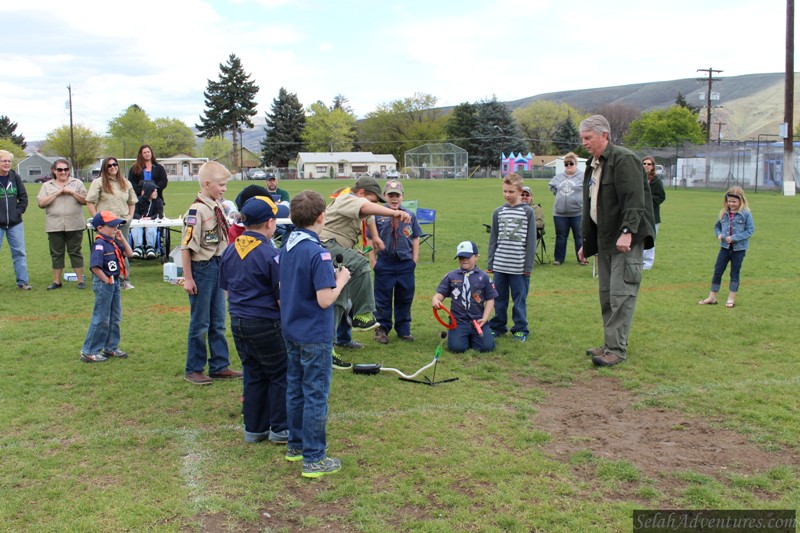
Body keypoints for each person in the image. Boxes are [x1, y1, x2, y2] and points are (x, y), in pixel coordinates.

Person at [279, 190, 351, 478]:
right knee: (315, 394)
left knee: (295, 389)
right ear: (322, 217)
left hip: (292, 328)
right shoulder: (318, 252)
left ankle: (296, 446)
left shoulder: (288, 245)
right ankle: (314, 458)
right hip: (314, 333)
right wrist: (341, 280)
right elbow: (324, 299)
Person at [577, 115, 655, 367]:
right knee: (607, 294)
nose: (584, 143)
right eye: (582, 138)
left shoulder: (624, 159)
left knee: (621, 294)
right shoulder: (593, 164)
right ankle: (610, 344)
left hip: (624, 239)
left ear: (604, 136)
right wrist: (586, 243)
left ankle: (616, 350)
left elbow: (634, 200)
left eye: (588, 138)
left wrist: (628, 231)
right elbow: (592, 204)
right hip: (604, 238)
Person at [219, 196, 291, 444]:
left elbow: (226, 288)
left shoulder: (230, 250)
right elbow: (281, 297)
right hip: (266, 322)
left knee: (253, 372)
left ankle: (255, 428)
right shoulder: (271, 254)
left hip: (238, 320)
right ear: (270, 223)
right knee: (280, 373)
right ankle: (281, 428)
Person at [319, 176, 411, 367]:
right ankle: (363, 315)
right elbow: (366, 209)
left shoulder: (362, 204)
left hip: (339, 248)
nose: (373, 204)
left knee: (339, 298)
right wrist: (394, 213)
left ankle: (329, 348)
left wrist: (376, 238)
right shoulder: (347, 198)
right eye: (372, 199)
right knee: (361, 264)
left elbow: (368, 217)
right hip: (328, 246)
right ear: (360, 193)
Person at [181, 161, 242, 385]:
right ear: (207, 183)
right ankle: (194, 368)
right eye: (221, 184)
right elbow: (186, 246)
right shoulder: (196, 211)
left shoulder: (217, 207)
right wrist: (188, 278)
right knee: (200, 322)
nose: (224, 189)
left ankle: (219, 364)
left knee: (218, 320)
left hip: (218, 266)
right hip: (202, 269)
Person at [487, 173, 536, 342]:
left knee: (519, 299)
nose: (507, 195)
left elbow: (531, 242)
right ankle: (497, 326)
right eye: (505, 191)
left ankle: (520, 329)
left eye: (511, 191)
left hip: (519, 267)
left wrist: (528, 267)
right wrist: (491, 262)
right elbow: (493, 239)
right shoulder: (498, 212)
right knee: (499, 299)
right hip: (500, 265)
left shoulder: (528, 212)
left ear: (520, 191)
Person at [371, 180, 421, 344]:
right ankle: (382, 328)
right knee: (382, 299)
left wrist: (414, 259)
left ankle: (404, 329)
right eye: (390, 195)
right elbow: (370, 240)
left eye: (397, 196)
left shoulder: (410, 215)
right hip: (385, 262)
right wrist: (373, 262)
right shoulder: (378, 215)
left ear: (402, 197)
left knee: (405, 297)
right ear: (384, 196)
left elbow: (415, 237)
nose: (394, 199)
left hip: (405, 263)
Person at [80, 211, 134, 363]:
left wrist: (122, 240)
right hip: (105, 283)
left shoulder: (114, 243)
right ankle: (89, 351)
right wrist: (106, 280)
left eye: (116, 225)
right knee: (102, 317)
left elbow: (129, 254)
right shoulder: (99, 245)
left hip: (114, 282)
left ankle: (111, 347)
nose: (115, 228)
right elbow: (95, 267)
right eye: (111, 226)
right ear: (100, 228)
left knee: (115, 316)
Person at [432, 241, 497, 353]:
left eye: (467, 257)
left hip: (478, 320)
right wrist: (435, 299)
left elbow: (490, 299)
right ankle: (459, 335)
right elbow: (440, 294)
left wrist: (485, 318)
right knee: (457, 348)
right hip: (458, 320)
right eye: (461, 257)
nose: (464, 260)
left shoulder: (484, 277)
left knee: (486, 348)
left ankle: (479, 335)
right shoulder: (451, 276)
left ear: (476, 257)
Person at [698, 187, 754, 308]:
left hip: (738, 250)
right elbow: (717, 227)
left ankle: (731, 299)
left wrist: (734, 237)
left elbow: (750, 231)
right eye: (729, 201)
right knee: (717, 271)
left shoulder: (746, 214)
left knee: (734, 273)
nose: (731, 204)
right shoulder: (723, 213)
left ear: (741, 201)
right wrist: (718, 234)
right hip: (724, 248)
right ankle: (712, 297)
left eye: (734, 202)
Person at [37, 158, 88, 290]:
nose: (63, 172)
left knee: (75, 252)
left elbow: (86, 200)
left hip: (75, 224)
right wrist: (58, 192)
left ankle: (80, 281)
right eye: (60, 169)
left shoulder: (77, 183)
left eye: (66, 169)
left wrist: (72, 192)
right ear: (54, 171)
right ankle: (57, 281)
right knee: (56, 253)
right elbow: (41, 203)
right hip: (54, 225)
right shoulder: (47, 186)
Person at [86, 157, 137, 290]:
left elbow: (132, 201)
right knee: (107, 251)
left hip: (122, 222)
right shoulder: (98, 183)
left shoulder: (125, 183)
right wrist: (98, 219)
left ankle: (124, 279)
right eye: (109, 166)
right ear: (105, 168)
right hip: (106, 223)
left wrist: (129, 218)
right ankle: (104, 278)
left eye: (115, 165)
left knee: (123, 250)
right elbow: (89, 201)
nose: (113, 167)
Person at [0, 149, 31, 290]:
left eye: (9, 161)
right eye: (4, 161)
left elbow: (23, 198)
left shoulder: (15, 177)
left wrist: (17, 212)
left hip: (15, 223)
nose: (7, 164)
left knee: (19, 252)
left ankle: (22, 282)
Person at [548, 152, 587, 266]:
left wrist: (579, 200)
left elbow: (589, 188)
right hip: (560, 213)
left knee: (579, 236)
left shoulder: (583, 176)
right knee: (560, 236)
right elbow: (552, 186)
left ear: (576, 164)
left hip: (577, 212)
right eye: (566, 164)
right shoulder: (559, 177)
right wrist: (560, 196)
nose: (569, 166)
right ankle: (558, 259)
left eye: (571, 163)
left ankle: (581, 258)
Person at [641, 156, 666, 270]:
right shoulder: (637, 178)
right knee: (639, 239)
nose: (646, 165)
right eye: (644, 163)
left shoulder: (656, 181)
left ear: (653, 167)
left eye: (649, 164)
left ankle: (647, 263)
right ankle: (637, 261)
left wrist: (648, 201)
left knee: (650, 238)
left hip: (652, 216)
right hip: (639, 215)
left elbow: (661, 196)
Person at [131, 181, 164, 259]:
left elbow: (160, 214)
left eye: (156, 191)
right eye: (153, 191)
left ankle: (150, 247)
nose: (155, 193)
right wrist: (140, 218)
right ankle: (138, 247)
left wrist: (150, 218)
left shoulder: (158, 201)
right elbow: (133, 213)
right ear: (148, 191)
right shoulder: (138, 200)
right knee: (136, 227)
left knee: (151, 226)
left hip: (152, 222)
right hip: (140, 221)